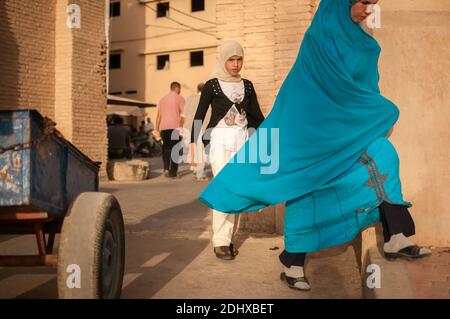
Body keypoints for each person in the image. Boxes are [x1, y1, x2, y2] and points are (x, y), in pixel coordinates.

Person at [196, 0, 431, 291]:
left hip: (345, 131)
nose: (368, 11)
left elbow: (366, 90)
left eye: (373, 4)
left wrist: (373, 112)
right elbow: (332, 88)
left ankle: (397, 236)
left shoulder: (363, 43)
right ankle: (292, 262)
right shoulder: (318, 39)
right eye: (363, 3)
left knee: (384, 155)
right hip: (309, 131)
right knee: (305, 188)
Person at [190, 40, 265, 260]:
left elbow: (256, 117)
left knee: (236, 189)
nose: (235, 64)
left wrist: (271, 137)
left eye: (239, 59)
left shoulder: (248, 85)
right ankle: (221, 241)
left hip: (242, 141)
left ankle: (227, 237)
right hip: (219, 140)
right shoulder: (212, 85)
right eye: (231, 59)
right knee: (224, 188)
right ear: (223, 60)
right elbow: (199, 115)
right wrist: (194, 144)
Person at [155, 82, 185, 178]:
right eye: (179, 89)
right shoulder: (179, 98)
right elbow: (183, 115)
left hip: (164, 128)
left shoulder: (162, 99)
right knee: (175, 150)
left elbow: (158, 116)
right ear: (177, 88)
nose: (180, 91)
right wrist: (181, 129)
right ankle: (173, 173)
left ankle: (166, 169)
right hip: (175, 128)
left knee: (166, 149)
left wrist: (157, 130)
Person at [182, 83, 211, 181]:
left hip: (188, 128)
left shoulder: (189, 98)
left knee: (192, 149)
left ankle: (194, 169)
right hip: (200, 127)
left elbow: (183, 115)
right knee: (200, 151)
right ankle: (200, 173)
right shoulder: (207, 99)